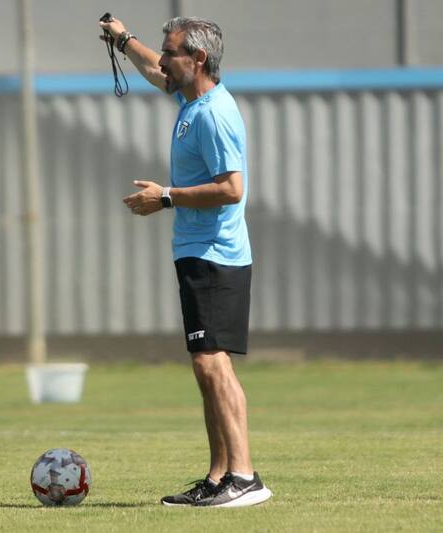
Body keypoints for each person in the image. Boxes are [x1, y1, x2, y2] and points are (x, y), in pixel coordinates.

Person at [98, 16, 271, 507]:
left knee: (213, 364)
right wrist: (123, 38)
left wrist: (166, 197)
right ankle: (219, 477)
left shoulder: (213, 113)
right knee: (205, 365)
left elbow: (232, 189)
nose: (163, 57)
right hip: (199, 253)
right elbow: (154, 71)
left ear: (197, 60)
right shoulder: (191, 98)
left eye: (171, 51)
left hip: (217, 255)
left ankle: (244, 477)